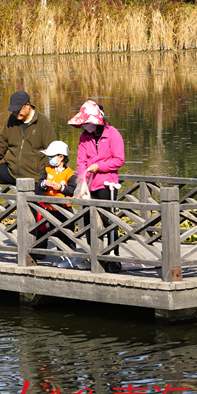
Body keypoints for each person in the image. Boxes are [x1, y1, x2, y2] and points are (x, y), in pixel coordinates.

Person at [0, 90, 57, 214]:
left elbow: (52, 150)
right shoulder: (11, 120)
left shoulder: (43, 123)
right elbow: (1, 142)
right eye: (12, 110)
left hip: (34, 175)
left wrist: (46, 175)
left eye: (18, 110)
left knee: (33, 211)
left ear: (27, 106)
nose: (14, 113)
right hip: (11, 170)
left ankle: (36, 230)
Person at [67, 100, 125, 272]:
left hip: (107, 184)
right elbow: (81, 160)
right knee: (89, 221)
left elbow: (118, 160)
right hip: (89, 184)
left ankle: (113, 258)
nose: (85, 126)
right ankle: (95, 256)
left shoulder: (113, 134)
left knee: (109, 221)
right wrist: (82, 180)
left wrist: (99, 166)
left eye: (88, 123)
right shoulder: (84, 137)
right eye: (84, 123)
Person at [32, 140, 77, 268]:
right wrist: (44, 184)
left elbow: (73, 190)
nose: (50, 159)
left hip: (64, 209)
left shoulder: (69, 174)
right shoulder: (47, 169)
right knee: (55, 233)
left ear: (61, 157)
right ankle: (61, 257)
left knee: (66, 234)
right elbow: (39, 186)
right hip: (50, 207)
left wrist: (60, 188)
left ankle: (70, 259)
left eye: (52, 157)